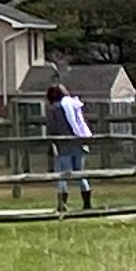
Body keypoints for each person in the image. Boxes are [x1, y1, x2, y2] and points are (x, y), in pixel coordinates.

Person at [45, 80, 91, 215]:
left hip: (63, 144)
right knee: (80, 173)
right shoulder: (74, 105)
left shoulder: (54, 109)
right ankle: (87, 203)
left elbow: (52, 128)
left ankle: (62, 204)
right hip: (79, 142)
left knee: (62, 175)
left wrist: (51, 143)